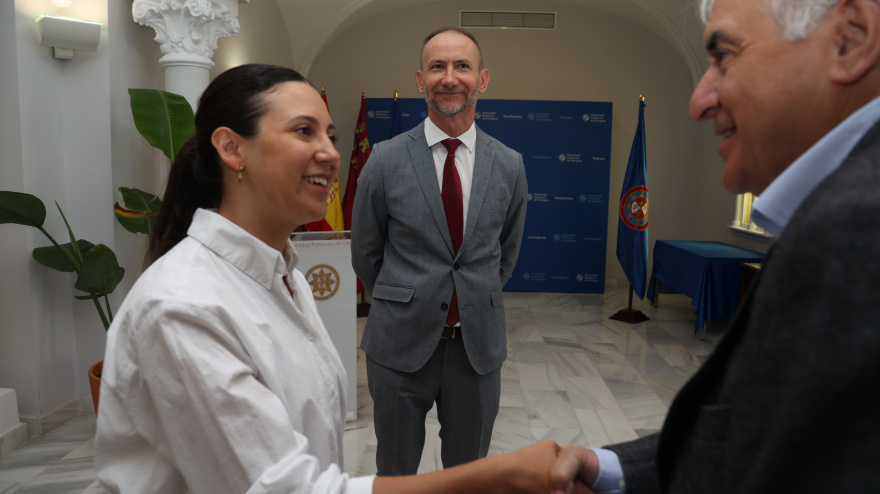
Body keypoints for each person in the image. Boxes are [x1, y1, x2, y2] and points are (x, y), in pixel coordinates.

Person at [93, 63, 562, 494]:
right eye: (304, 131)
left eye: (331, 135)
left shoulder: (288, 280)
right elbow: (285, 488)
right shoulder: (181, 307)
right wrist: (501, 474)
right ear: (232, 148)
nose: (332, 154)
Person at [550, 0, 880, 492]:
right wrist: (612, 469)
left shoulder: (854, 231)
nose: (698, 101)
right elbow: (757, 430)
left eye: (724, 56)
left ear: (850, 39)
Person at [350, 27, 528, 475]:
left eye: (462, 66)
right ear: (420, 80)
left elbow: (506, 253)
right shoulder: (385, 159)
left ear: (482, 79)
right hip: (398, 346)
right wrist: (404, 298)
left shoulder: (509, 164)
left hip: (476, 350)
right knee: (396, 473)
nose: (449, 78)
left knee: (468, 476)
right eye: (437, 67)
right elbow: (366, 253)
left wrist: (470, 295)